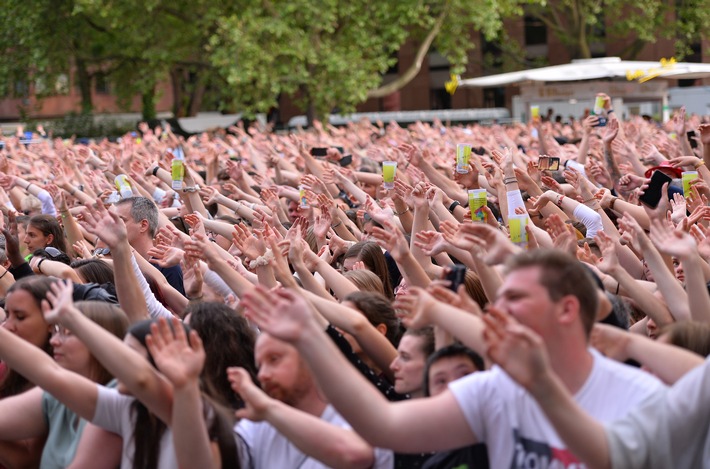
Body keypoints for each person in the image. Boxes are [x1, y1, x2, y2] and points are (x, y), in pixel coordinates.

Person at [238, 250, 666, 468]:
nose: (499, 307)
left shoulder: (643, 397)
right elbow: (383, 426)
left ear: (568, 309)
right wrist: (309, 339)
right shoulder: (494, 390)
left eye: (515, 298)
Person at [229, 333, 394, 468]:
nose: (262, 375)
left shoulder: (358, 415)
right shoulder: (260, 422)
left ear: (311, 359)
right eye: (259, 366)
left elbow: (355, 456)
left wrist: (268, 409)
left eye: (274, 359)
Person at [115, 196, 186, 296]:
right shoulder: (118, 264)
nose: (113, 225)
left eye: (121, 220)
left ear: (143, 225)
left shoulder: (168, 266)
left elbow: (177, 310)